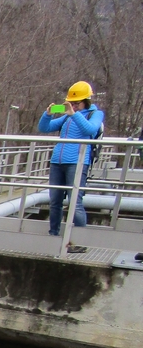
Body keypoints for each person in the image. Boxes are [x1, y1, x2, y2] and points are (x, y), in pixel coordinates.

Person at [37, 80, 104, 251]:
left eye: (77, 103)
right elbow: (44, 128)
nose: (73, 106)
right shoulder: (67, 116)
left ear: (86, 101)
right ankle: (54, 234)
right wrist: (48, 114)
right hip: (57, 161)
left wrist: (73, 113)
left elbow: (90, 130)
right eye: (71, 103)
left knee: (75, 202)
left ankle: (80, 242)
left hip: (77, 162)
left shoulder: (95, 114)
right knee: (55, 201)